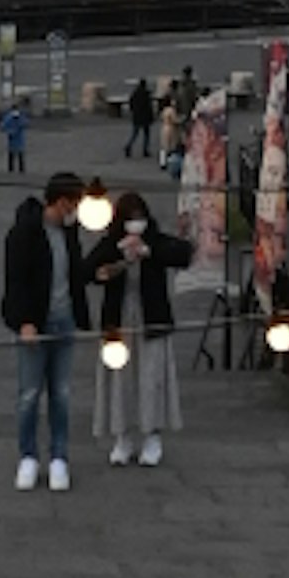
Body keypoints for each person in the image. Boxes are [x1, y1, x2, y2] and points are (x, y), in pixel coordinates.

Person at [1, 167, 90, 490]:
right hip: (35, 325)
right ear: (61, 202)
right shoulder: (25, 232)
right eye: (74, 204)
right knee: (29, 394)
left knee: (62, 394)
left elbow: (76, 272)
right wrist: (24, 321)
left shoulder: (70, 233)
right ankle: (27, 456)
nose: (76, 211)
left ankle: (59, 458)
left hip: (64, 320)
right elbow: (16, 282)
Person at [99, 195, 182, 467]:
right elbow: (89, 269)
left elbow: (182, 253)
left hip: (151, 319)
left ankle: (152, 435)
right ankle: (122, 436)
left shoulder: (155, 239)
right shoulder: (111, 242)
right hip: (120, 321)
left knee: (152, 377)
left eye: (140, 217)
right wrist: (114, 262)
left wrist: (149, 252)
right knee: (120, 379)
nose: (136, 224)